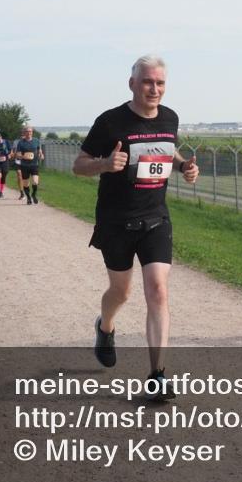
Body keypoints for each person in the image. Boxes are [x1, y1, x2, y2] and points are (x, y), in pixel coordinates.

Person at [73, 54, 198, 401]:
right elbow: (78, 166)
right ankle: (105, 325)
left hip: (156, 217)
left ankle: (158, 374)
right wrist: (104, 164)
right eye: (147, 82)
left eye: (159, 83)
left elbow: (167, 151)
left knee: (158, 290)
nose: (154, 88)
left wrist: (184, 165)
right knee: (121, 293)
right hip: (116, 221)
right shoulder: (111, 121)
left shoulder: (170, 117)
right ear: (132, 84)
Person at [15, 126, 45, 205]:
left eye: (30, 131)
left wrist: (41, 155)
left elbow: (39, 150)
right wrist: (23, 156)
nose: (29, 133)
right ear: (24, 133)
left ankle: (34, 195)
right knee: (26, 184)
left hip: (34, 164)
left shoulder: (36, 141)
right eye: (27, 131)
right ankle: (28, 197)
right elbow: (17, 154)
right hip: (24, 165)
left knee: (35, 182)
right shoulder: (21, 142)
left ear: (32, 132)